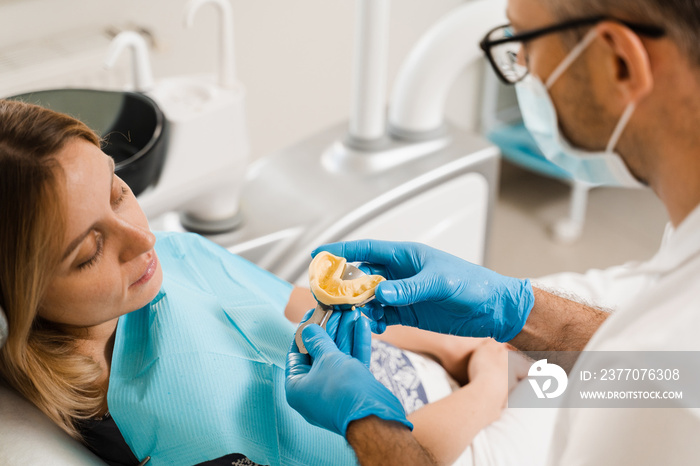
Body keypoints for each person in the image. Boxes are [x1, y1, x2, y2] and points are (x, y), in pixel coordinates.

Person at [0, 98, 530, 466]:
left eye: (118, 191)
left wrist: (456, 345)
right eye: (90, 251)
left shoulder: (172, 255)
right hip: (447, 437)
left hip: (449, 376)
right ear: (19, 298)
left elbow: (292, 304)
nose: (142, 239)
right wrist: (487, 390)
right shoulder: (159, 430)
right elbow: (392, 457)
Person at [285, 0, 700, 464]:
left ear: (620, 62)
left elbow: (662, 367)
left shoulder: (669, 415)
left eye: (523, 43)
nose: (519, 64)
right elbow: (672, 369)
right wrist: (518, 311)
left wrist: (367, 425)